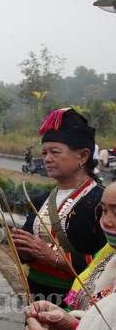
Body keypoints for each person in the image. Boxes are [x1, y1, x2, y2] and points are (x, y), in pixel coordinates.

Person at [13, 108, 106, 309]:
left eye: (55, 152)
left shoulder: (101, 202)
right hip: (36, 295)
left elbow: (107, 260)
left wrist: (53, 257)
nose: (46, 158)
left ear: (83, 155)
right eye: (44, 152)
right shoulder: (41, 199)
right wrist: (23, 247)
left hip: (75, 301)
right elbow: (29, 250)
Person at [23, 181, 116, 330]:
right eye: (104, 210)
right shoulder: (109, 254)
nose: (107, 221)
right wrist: (73, 326)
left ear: (83, 156)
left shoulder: (92, 198)